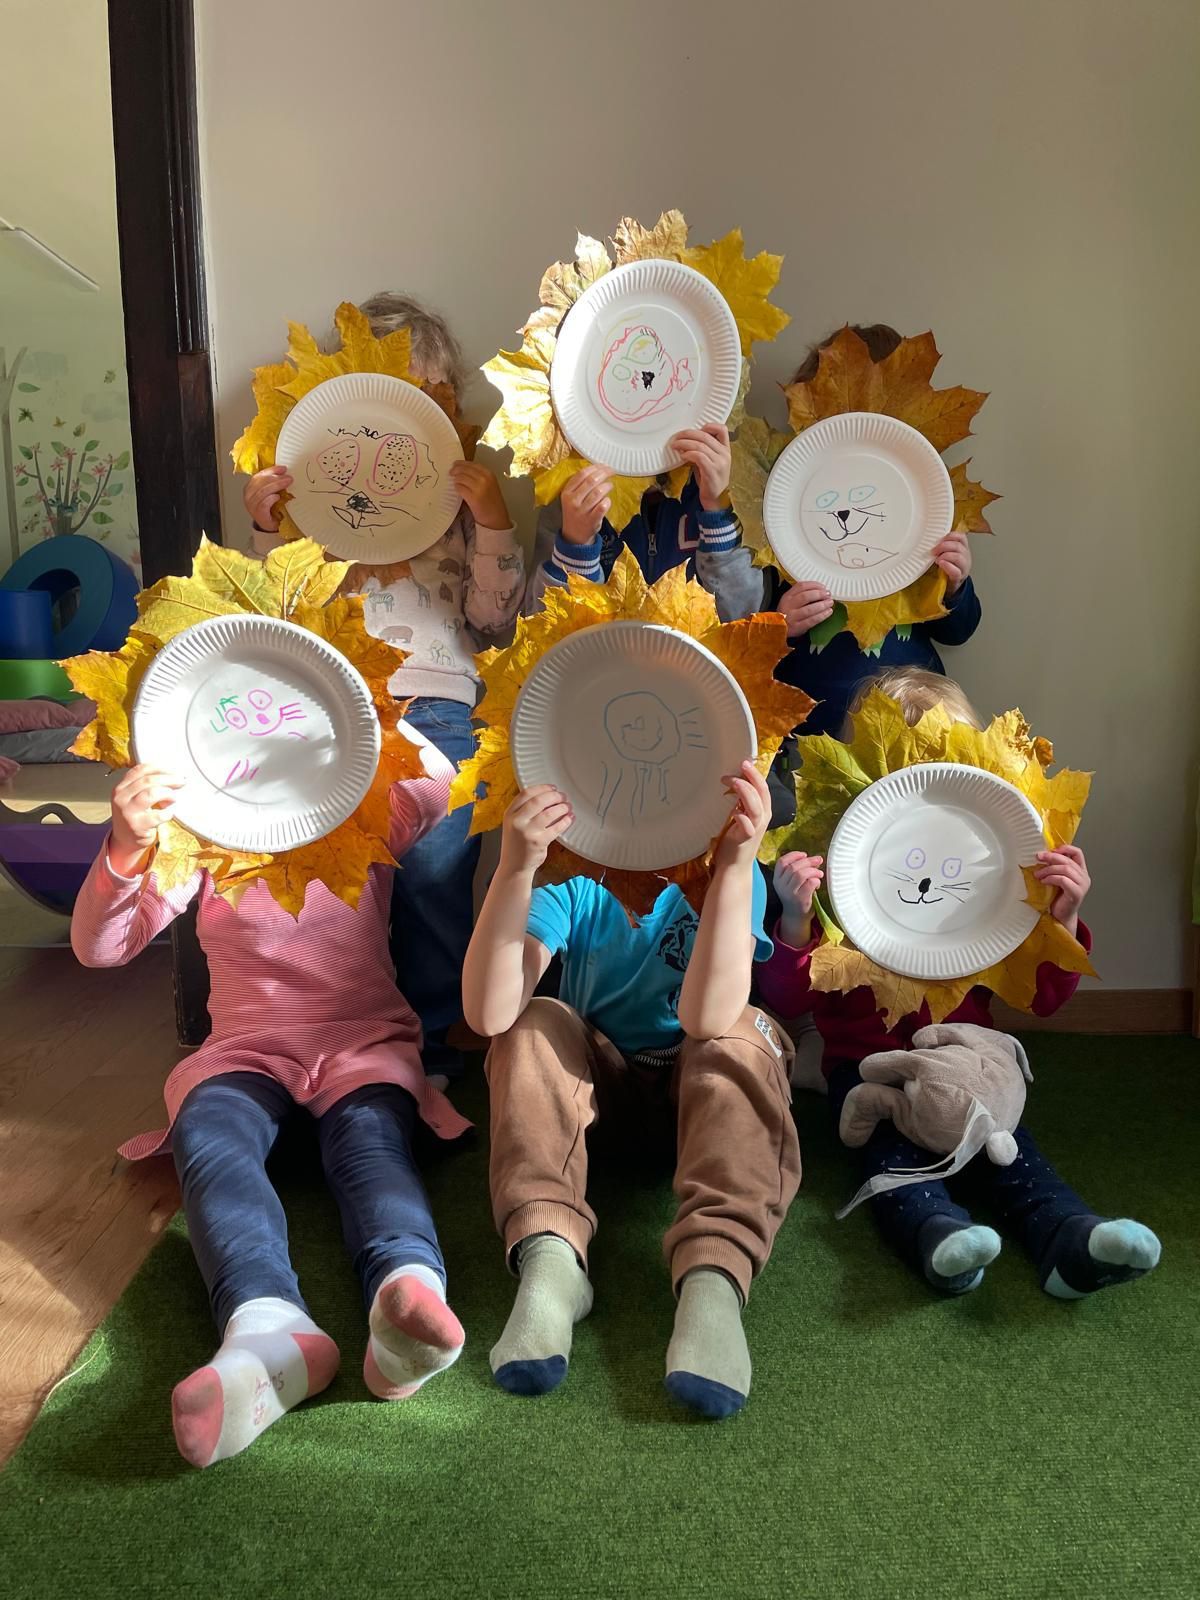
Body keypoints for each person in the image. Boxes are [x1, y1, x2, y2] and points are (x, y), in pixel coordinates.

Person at [71, 733, 471, 1468]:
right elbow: (101, 948)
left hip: (360, 1043)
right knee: (211, 1137)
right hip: (246, 1050)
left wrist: (364, 707)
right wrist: (128, 845)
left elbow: (444, 782)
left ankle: (404, 1291)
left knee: (373, 1147)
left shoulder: (367, 804)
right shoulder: (205, 828)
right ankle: (265, 1323)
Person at [758, 666, 1161, 1299]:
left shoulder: (992, 878)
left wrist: (1065, 918)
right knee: (894, 1155)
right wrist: (794, 917)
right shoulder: (836, 864)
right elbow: (786, 999)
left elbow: (1045, 999)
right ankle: (938, 1236)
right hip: (871, 1069)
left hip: (972, 1061)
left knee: (1009, 1149)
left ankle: (1070, 1238)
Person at [461, 763, 801, 1420]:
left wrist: (732, 868)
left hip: (698, 1101)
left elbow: (705, 1019)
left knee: (741, 1035)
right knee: (531, 1021)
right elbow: (488, 1013)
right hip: (601, 1101)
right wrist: (516, 870)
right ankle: (551, 1258)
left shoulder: (732, 871)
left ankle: (713, 1277)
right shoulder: (580, 880)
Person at [243, 292, 524, 1078]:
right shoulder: (319, 496)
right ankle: (355, 1031)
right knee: (345, 875)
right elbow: (286, 618)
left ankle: (435, 1039)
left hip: (439, 700)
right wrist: (271, 528)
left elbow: (495, 621)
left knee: (435, 868)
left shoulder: (459, 501)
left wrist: (492, 516)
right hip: (341, 703)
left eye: (422, 396)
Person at [770, 323, 982, 749]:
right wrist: (780, 623)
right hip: (808, 732)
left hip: (912, 725)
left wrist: (956, 584)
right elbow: (749, 631)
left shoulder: (925, 512)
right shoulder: (785, 507)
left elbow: (960, 631)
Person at [523, 423, 762, 621]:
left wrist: (717, 510)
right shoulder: (571, 497)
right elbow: (543, 632)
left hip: (694, 672)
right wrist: (577, 546)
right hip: (602, 671)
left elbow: (742, 622)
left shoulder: (730, 489)